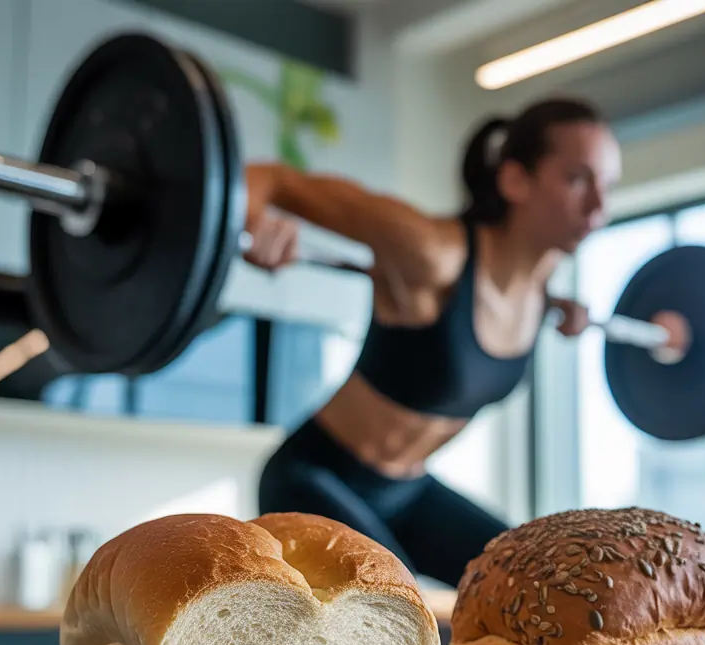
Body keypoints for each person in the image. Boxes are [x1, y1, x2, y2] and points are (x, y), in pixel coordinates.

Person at [245, 97, 622, 589]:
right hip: (313, 477)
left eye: (607, 185)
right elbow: (270, 178)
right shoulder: (429, 254)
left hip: (411, 492)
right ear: (514, 181)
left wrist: (566, 310)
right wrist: (256, 225)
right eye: (577, 179)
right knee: (412, 627)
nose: (599, 206)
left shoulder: (541, 294)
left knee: (540, 584)